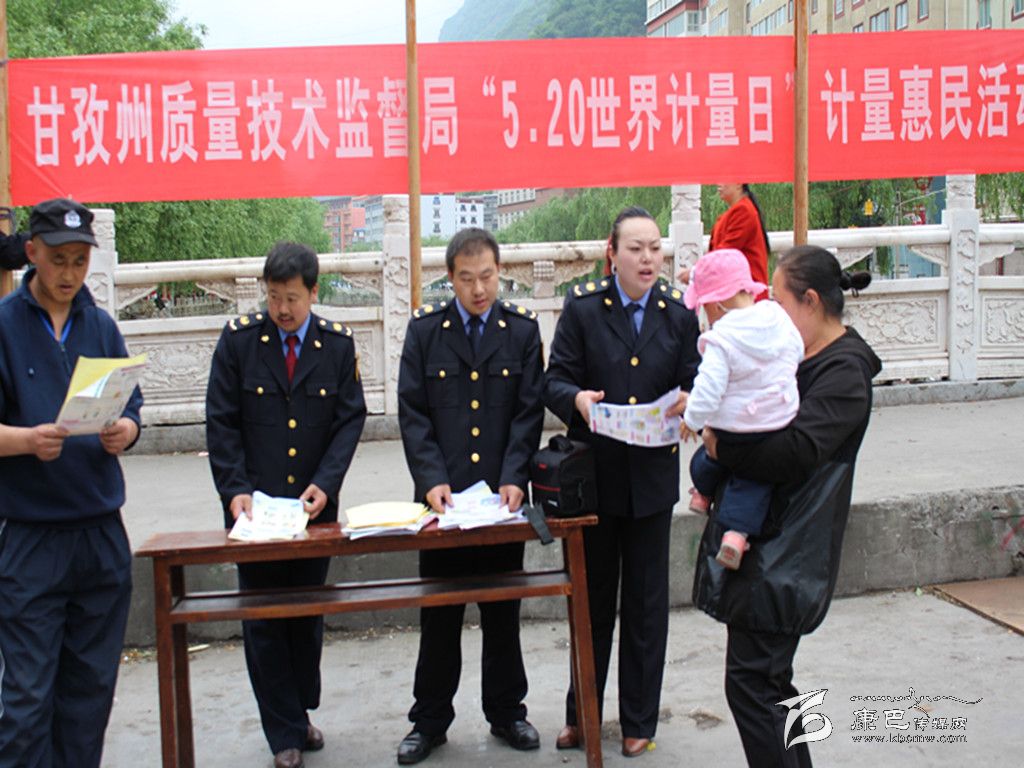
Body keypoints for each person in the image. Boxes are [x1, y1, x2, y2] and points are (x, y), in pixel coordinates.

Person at [692, 245, 879, 768]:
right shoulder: (797, 355)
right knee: (769, 686)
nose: (767, 310)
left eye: (777, 299)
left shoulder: (844, 373)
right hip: (773, 546)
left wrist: (721, 445)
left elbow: (794, 453)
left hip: (790, 552)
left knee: (753, 686)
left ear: (811, 301)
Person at [544, 206, 701, 758]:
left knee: (646, 606)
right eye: (636, 248)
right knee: (590, 604)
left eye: (655, 248)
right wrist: (577, 400)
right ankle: (581, 714)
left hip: (651, 483)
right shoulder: (584, 308)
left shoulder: (678, 313)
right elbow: (554, 380)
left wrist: (691, 401)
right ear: (612, 254)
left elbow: (697, 379)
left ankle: (639, 719)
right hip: (594, 482)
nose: (648, 258)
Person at [205, 242, 367, 768]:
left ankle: (297, 712)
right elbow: (221, 422)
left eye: (292, 298)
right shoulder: (239, 343)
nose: (281, 309)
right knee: (263, 620)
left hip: (313, 510)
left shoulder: (336, 346)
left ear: (313, 293)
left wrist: (327, 483)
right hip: (254, 513)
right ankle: (284, 734)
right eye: (273, 297)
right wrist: (234, 490)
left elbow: (350, 419)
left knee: (305, 614)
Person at [0, 198, 142, 768]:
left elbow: (132, 405)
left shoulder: (98, 325)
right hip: (33, 536)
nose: (69, 274)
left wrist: (125, 431)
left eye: (80, 261)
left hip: (100, 532)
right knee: (28, 697)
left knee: (89, 694)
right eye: (58, 260)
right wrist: (26, 440)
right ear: (32, 252)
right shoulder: (5, 325)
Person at [396, 227, 545, 765]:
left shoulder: (521, 331)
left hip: (501, 501)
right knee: (439, 613)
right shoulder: (426, 332)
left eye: (487, 277)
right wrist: (431, 477)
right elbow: (413, 412)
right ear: (450, 278)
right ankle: (429, 721)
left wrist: (514, 476)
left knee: (503, 609)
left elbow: (528, 412)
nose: (479, 289)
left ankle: (507, 712)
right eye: (466, 279)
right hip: (443, 503)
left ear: (500, 273)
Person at [680, 249, 804, 570]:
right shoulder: (778, 317)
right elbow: (797, 352)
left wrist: (692, 419)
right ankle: (733, 531)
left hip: (734, 428)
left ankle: (721, 517)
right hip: (778, 422)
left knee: (714, 460)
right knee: (753, 480)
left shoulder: (722, 338)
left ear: (715, 304)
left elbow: (708, 390)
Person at [680, 184, 770, 300]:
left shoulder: (744, 211)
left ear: (739, 183)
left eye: (724, 179)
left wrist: (696, 273)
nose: (718, 184)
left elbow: (724, 255)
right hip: (734, 295)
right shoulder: (734, 212)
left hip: (747, 297)